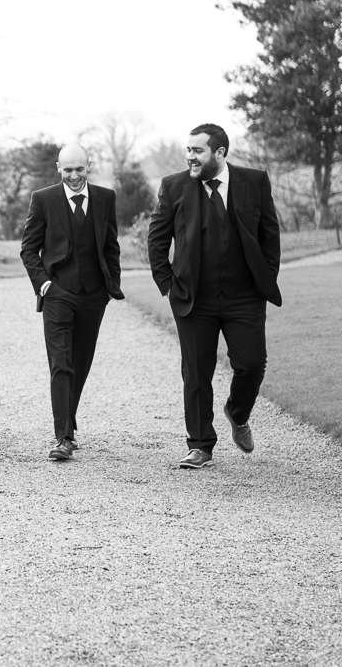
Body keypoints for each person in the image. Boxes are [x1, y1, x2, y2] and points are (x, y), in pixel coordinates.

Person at [147, 123, 282, 469]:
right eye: (188, 150)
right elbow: (157, 241)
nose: (190, 157)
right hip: (194, 300)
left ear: (219, 153)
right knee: (196, 372)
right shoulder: (174, 186)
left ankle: (237, 413)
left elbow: (269, 236)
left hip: (244, 297)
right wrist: (168, 286)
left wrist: (265, 280)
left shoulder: (254, 182)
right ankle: (200, 445)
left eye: (197, 151)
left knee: (252, 364)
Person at [20, 144, 124, 461]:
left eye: (80, 169)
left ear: (88, 166)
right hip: (57, 295)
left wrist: (110, 287)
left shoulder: (106, 199)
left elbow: (111, 246)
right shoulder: (43, 199)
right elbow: (28, 249)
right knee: (61, 364)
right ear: (58, 168)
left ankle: (68, 420)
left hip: (94, 296)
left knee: (80, 363)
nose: (74, 176)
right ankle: (63, 436)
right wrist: (45, 285)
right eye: (68, 170)